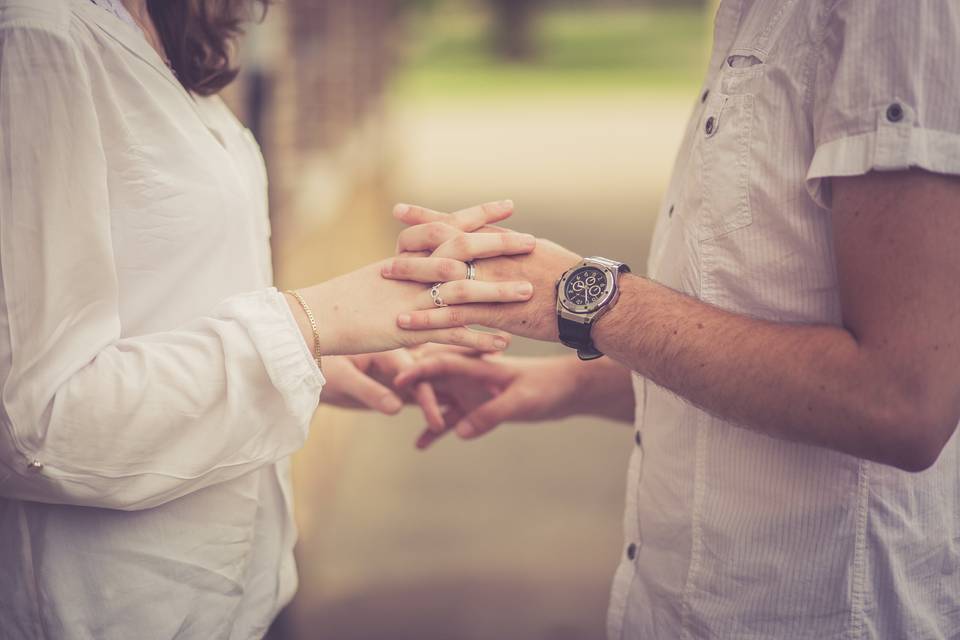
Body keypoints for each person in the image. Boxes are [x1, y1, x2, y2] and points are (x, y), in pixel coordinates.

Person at [390, 2, 960, 638]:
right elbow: (750, 323)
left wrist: (587, 298)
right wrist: (557, 385)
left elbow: (904, 399)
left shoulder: (898, 16)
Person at [0, 1, 533, 637]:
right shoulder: (38, 42)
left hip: (244, 585)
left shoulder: (162, 36)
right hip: (117, 611)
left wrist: (314, 361)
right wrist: (309, 324)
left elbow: (162, 302)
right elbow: (33, 426)